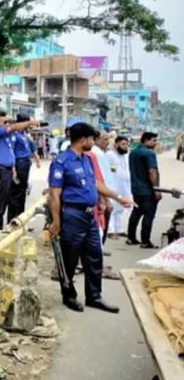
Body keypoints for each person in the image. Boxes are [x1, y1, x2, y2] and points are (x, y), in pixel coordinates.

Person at [48, 122, 133, 313]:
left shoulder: (86, 159)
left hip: (89, 216)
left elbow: (96, 183)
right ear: (82, 140)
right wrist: (56, 221)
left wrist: (118, 197)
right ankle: (69, 296)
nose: (93, 143)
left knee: (95, 256)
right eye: (91, 139)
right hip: (72, 215)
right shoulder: (61, 162)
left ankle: (94, 297)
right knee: (69, 259)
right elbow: (54, 194)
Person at [0, 110, 41, 244]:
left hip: (7, 171)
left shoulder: (5, 137)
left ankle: (2, 231)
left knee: (6, 202)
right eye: (4, 121)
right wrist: (29, 122)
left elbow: (10, 153)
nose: (7, 123)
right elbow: (13, 127)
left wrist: (13, 169)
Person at [127, 132, 160, 249]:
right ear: (146, 140)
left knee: (136, 212)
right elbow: (152, 171)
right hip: (147, 190)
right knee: (148, 215)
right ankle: (145, 241)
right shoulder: (148, 153)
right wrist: (156, 189)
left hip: (136, 189)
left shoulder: (133, 152)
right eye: (154, 140)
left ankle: (131, 237)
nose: (156, 143)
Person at [8, 114, 39, 222]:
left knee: (22, 192)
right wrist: (13, 169)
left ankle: (21, 219)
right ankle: (12, 220)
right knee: (15, 193)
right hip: (19, 164)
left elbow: (31, 148)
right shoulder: (14, 135)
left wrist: (36, 159)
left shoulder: (24, 135)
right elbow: (10, 152)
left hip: (25, 164)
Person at [93, 131, 117, 244]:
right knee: (101, 226)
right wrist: (106, 200)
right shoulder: (96, 154)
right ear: (96, 140)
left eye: (108, 139)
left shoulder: (102, 153)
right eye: (104, 139)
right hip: (102, 194)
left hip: (106, 193)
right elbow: (99, 178)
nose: (107, 142)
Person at [106, 136, 131, 238]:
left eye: (126, 144)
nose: (125, 147)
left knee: (121, 208)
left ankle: (119, 229)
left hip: (124, 185)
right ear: (116, 144)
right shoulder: (109, 155)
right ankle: (110, 230)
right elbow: (107, 170)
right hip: (113, 185)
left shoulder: (126, 155)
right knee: (113, 208)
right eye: (123, 144)